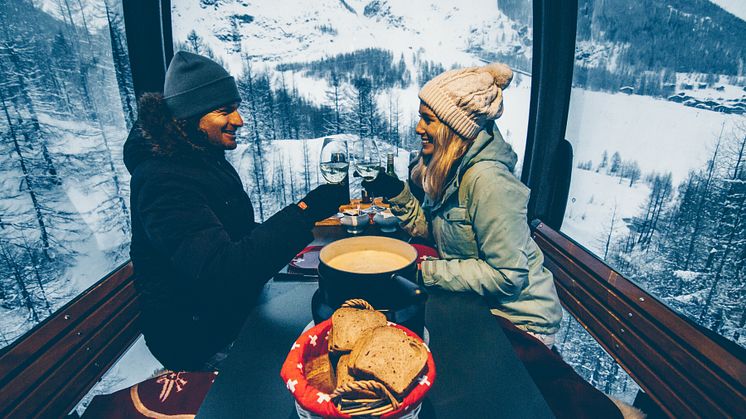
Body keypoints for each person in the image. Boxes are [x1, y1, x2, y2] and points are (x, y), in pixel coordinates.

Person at [124, 51, 348, 371]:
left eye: (236, 108)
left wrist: (306, 217)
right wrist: (304, 211)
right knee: (319, 360)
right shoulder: (163, 182)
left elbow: (238, 233)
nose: (239, 119)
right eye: (224, 110)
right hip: (199, 337)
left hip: (227, 312)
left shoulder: (203, 158)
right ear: (190, 116)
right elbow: (223, 272)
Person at [363, 63, 562, 345]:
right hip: (481, 304)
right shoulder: (451, 170)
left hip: (519, 321)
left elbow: (507, 277)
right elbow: (436, 233)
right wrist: (397, 192)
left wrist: (422, 271)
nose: (419, 127)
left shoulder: (488, 181)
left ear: (453, 127)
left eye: (428, 119)